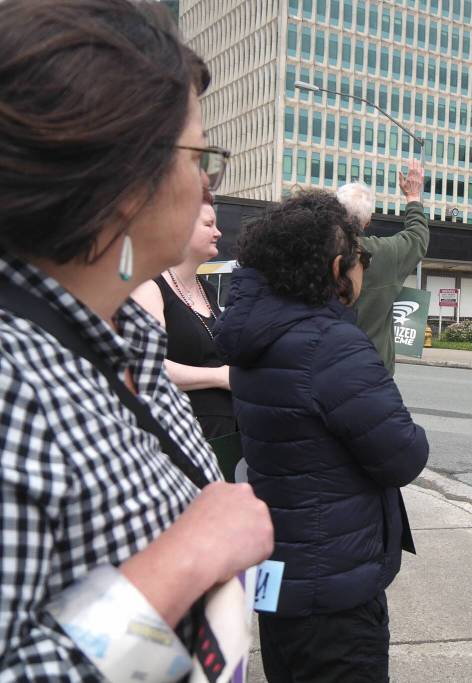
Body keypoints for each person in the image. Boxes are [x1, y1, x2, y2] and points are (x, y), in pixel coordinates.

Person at [0, 1, 273, 680]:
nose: (208, 181)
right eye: (197, 154)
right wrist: (185, 558)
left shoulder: (123, 345)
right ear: (126, 182)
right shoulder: (12, 381)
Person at [213, 190, 429, 681]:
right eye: (360, 260)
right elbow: (404, 455)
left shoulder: (255, 339)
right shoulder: (331, 345)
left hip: (281, 577)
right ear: (337, 268)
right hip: (336, 590)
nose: (364, 270)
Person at [132, 203, 235, 439]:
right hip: (180, 430)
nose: (218, 233)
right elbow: (149, 366)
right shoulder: (151, 287)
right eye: (208, 225)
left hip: (222, 431)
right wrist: (219, 377)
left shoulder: (207, 289)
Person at [337, 159, 428, 375]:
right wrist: (413, 198)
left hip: (321, 367)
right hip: (372, 371)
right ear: (368, 221)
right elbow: (418, 236)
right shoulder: (386, 254)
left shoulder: (312, 250)